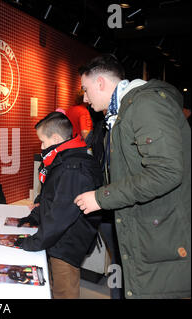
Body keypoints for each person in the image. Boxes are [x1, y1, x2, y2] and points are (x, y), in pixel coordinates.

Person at [74, 54, 191, 299]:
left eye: (86, 89)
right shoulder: (120, 115)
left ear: (101, 83)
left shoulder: (145, 105)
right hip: (144, 227)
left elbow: (166, 172)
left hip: (161, 233)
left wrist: (101, 197)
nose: (85, 98)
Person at [14, 112, 103, 299]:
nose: (41, 146)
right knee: (53, 288)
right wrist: (35, 215)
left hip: (66, 244)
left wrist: (33, 242)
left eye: (43, 142)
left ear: (55, 139)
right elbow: (52, 197)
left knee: (64, 291)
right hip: (58, 239)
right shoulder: (65, 160)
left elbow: (61, 215)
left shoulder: (73, 168)